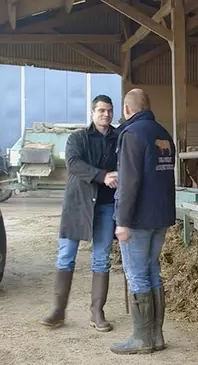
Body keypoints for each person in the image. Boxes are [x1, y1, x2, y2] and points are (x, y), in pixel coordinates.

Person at [41, 94, 119, 332]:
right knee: (66, 255)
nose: (106, 114)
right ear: (92, 113)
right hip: (78, 204)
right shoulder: (78, 138)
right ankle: (58, 310)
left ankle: (97, 312)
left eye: (109, 110)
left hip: (105, 206)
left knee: (101, 257)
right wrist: (103, 176)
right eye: (101, 110)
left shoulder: (120, 139)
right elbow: (73, 163)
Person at [110, 88, 176, 355]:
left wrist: (122, 221)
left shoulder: (132, 134)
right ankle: (156, 336)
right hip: (160, 215)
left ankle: (141, 339)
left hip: (137, 218)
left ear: (127, 109)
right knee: (151, 271)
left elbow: (129, 182)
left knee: (137, 274)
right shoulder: (163, 134)